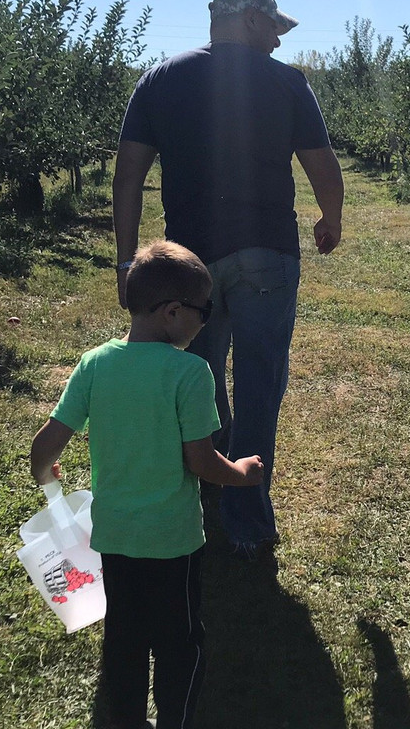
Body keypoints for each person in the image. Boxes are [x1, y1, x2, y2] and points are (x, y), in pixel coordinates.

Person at [111, 0, 345, 563]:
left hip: (192, 265)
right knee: (260, 383)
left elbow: (128, 176)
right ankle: (247, 518)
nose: (278, 41)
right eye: (275, 28)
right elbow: (322, 163)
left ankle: (213, 479)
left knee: (201, 374)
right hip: (268, 252)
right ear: (249, 19)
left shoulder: (161, 79)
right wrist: (331, 216)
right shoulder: (287, 83)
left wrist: (127, 259)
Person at [29, 240, 265, 729]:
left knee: (125, 642)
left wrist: (46, 475)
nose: (206, 322)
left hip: (114, 538)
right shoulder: (190, 373)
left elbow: (46, 443)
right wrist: (242, 474)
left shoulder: (95, 363)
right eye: (204, 311)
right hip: (172, 542)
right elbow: (201, 462)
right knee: (180, 642)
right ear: (172, 312)